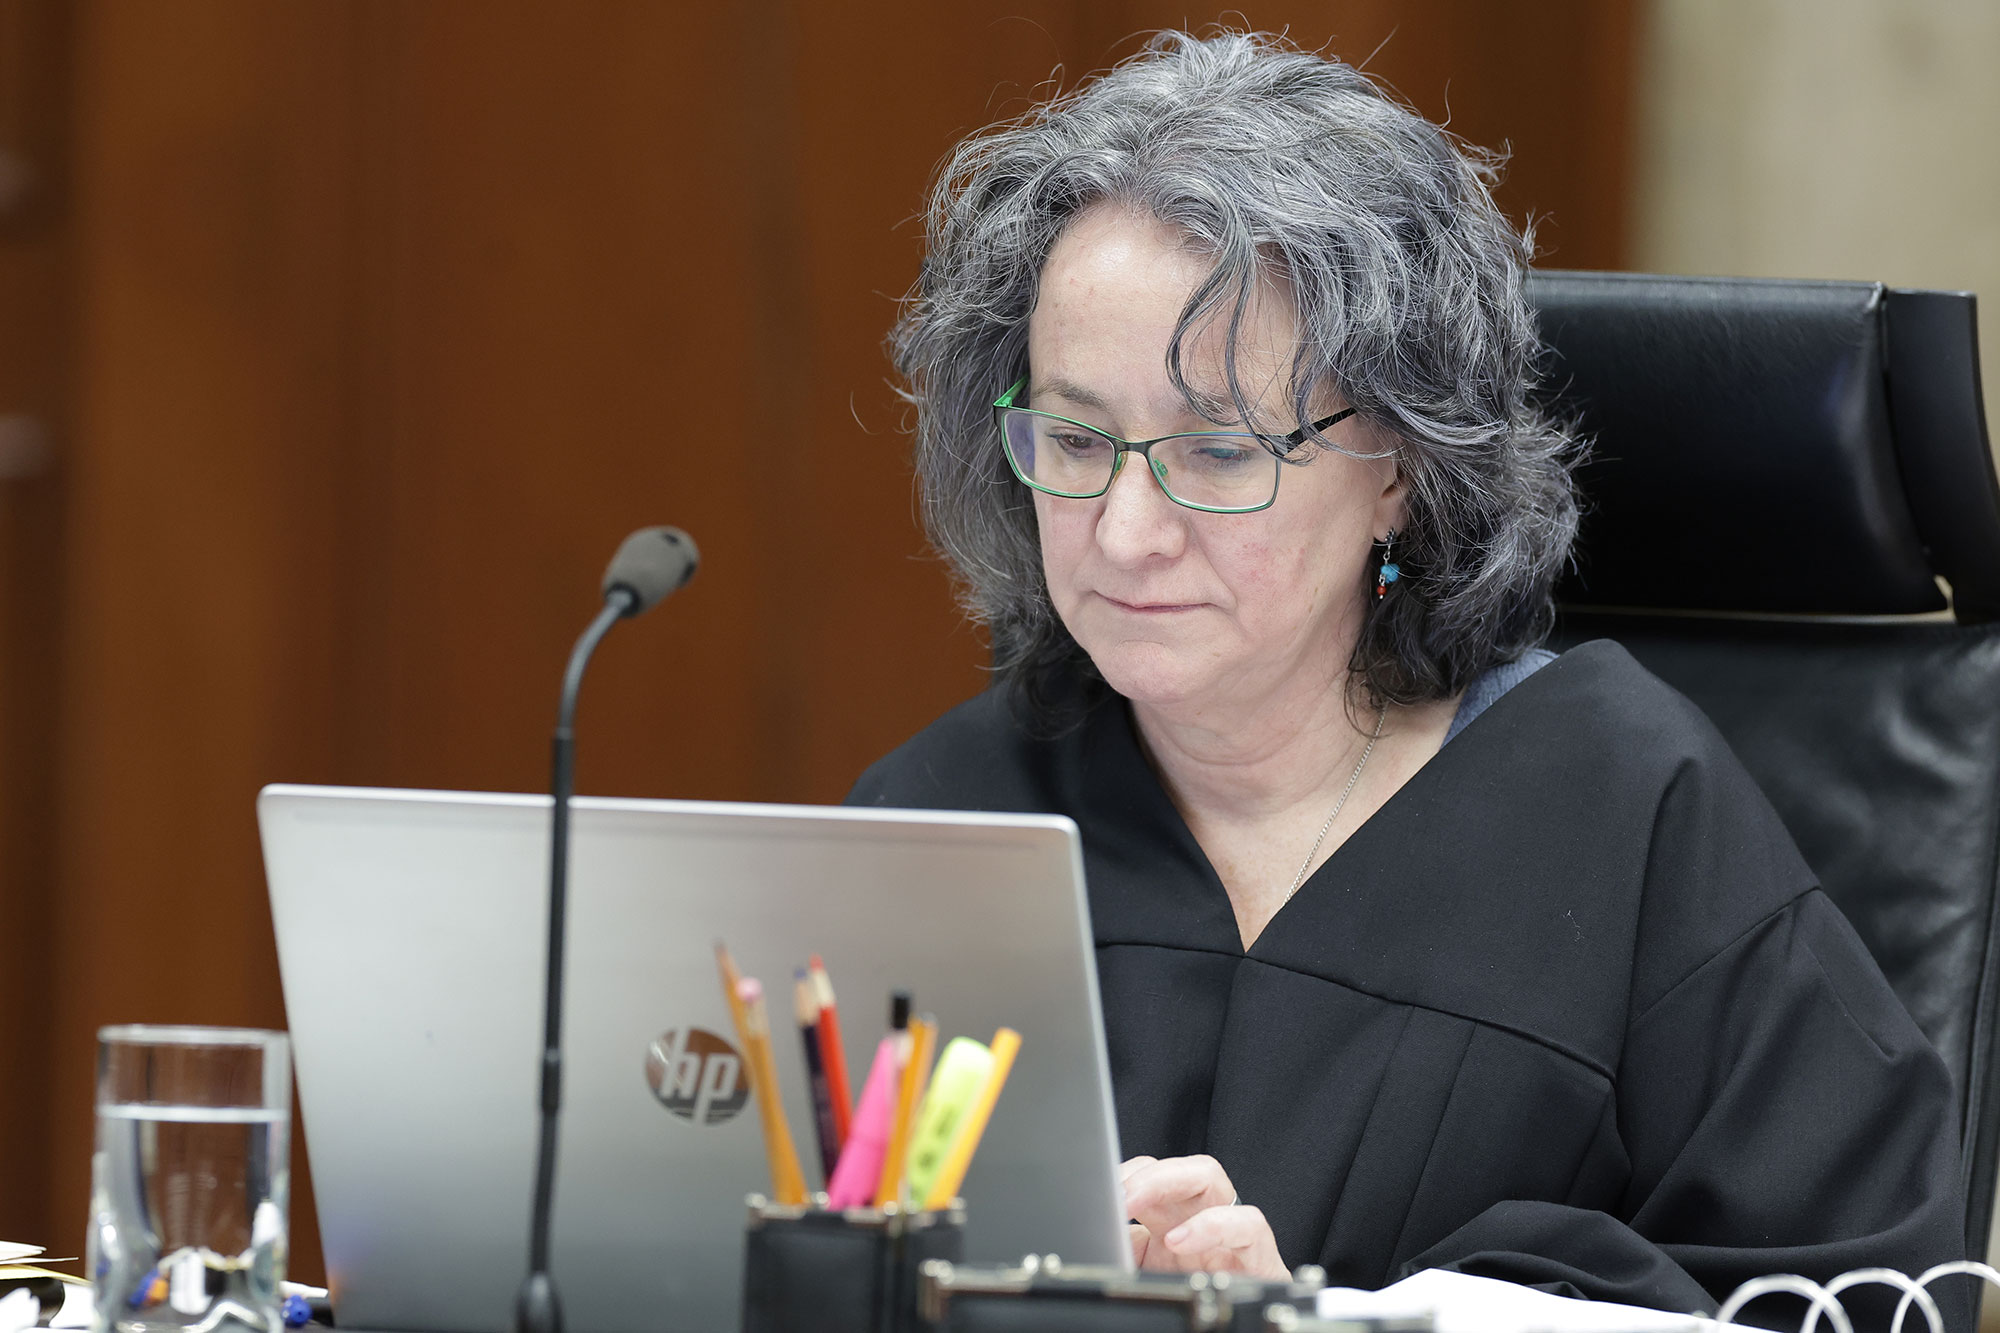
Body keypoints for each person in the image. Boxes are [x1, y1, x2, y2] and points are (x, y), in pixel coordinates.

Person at [847, 30, 1969, 1322]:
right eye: (1076, 438)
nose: (1124, 531)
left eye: (1220, 450)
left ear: (1399, 464)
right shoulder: (936, 826)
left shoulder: (1625, 813)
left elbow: (1857, 1297)